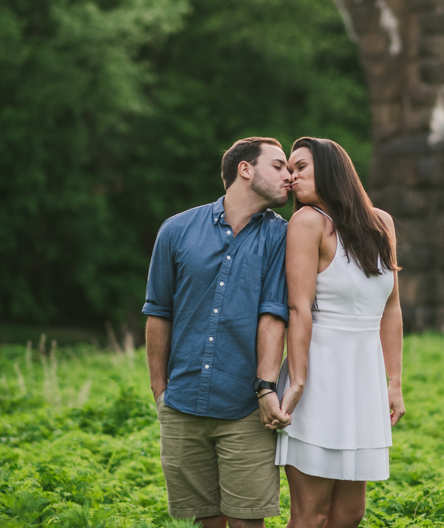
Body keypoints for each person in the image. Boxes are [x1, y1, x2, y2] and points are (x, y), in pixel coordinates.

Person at [142, 137, 292, 528]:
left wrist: (265, 387)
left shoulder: (283, 236)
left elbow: (274, 314)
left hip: (247, 408)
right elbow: (159, 312)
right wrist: (160, 392)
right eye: (278, 166)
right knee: (206, 520)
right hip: (182, 403)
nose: (289, 175)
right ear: (246, 169)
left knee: (246, 522)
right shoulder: (175, 230)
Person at [275, 137, 406, 528]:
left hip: (363, 380)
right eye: (288, 169)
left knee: (351, 514)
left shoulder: (381, 222)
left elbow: (392, 306)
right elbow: (298, 308)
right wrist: (296, 382)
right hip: (319, 377)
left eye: (300, 167)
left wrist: (394, 380)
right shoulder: (307, 222)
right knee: (311, 514)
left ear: (331, 170)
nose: (291, 176)